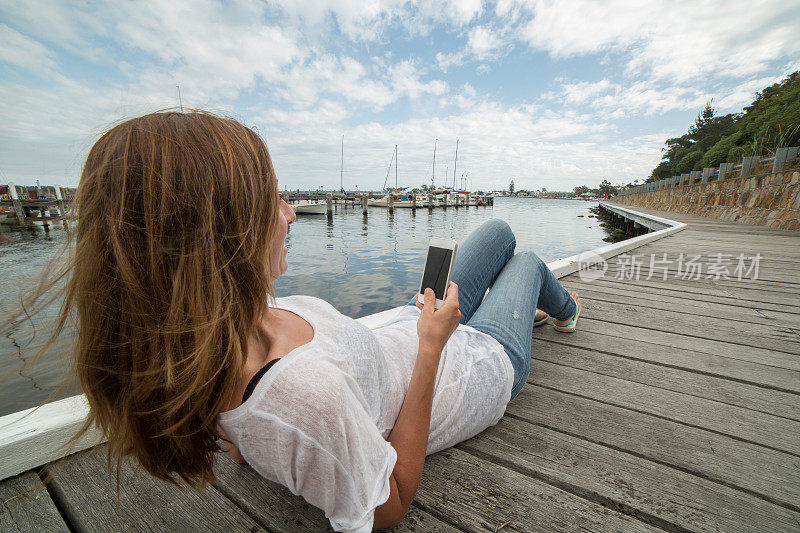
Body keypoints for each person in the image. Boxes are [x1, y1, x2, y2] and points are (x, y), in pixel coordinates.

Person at [13, 111, 580, 532]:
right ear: (218, 245)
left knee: (499, 232)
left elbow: (242, 433)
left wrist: (421, 326)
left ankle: (523, 309)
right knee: (527, 261)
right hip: (472, 365)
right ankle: (564, 311)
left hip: (419, 323)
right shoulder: (305, 399)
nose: (289, 214)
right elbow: (390, 504)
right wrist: (432, 346)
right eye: (271, 203)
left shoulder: (209, 339)